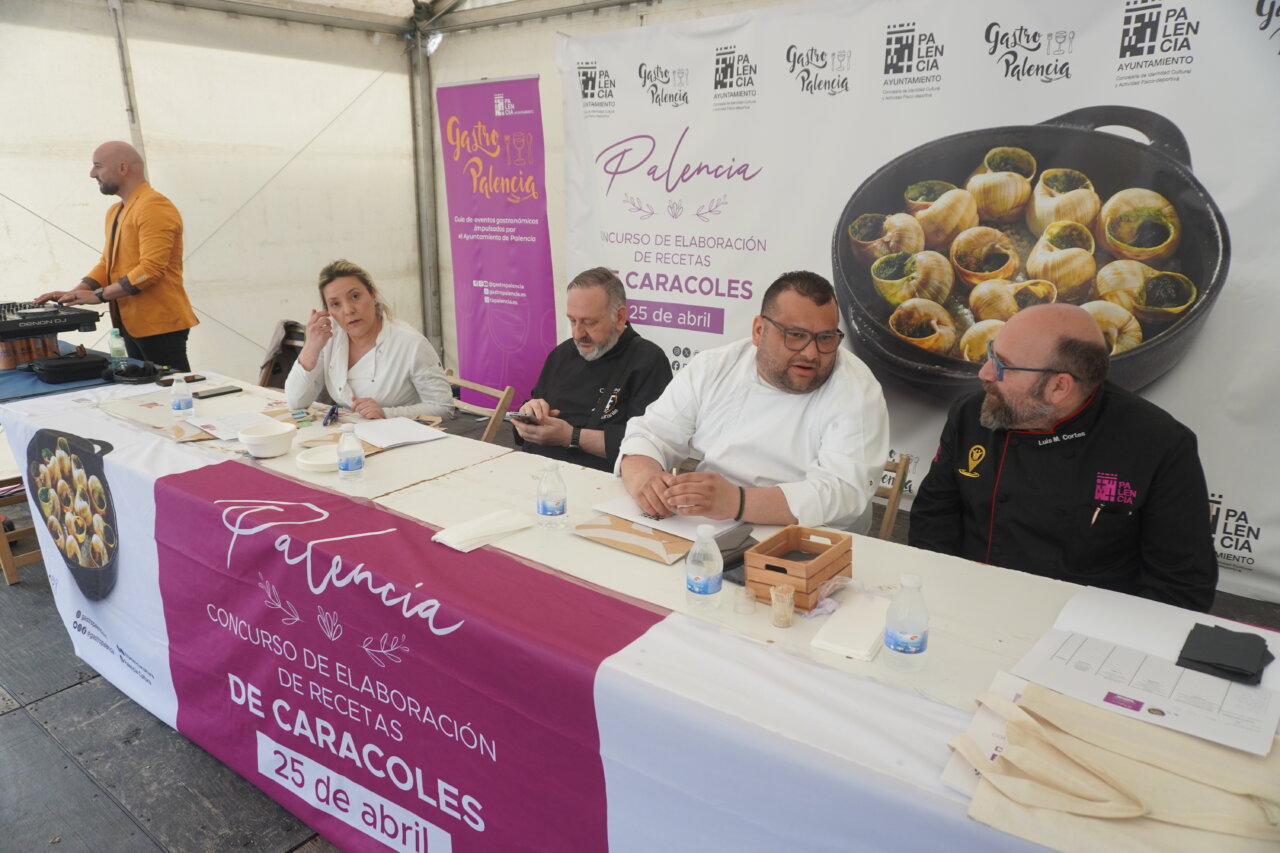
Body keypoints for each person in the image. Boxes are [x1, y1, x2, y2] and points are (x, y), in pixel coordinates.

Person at [908, 303, 1217, 612]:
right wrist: (936, 597)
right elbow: (933, 519)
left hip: (1087, 629)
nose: (984, 373)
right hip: (971, 601)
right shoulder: (970, 414)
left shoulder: (1160, 445)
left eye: (1002, 365)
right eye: (991, 354)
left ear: (1059, 387)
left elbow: (1181, 587)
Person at [617, 271, 889, 531]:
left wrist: (737, 502)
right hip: (708, 523)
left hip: (812, 535)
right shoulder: (715, 367)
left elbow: (843, 492)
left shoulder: (855, 389)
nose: (811, 353)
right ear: (759, 331)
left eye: (826, 338)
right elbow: (651, 432)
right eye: (796, 335)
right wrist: (645, 479)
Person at [34, 141, 198, 370]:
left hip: (160, 324)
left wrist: (99, 295)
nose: (92, 174)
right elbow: (107, 263)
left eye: (98, 166)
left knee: (172, 391)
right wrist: (76, 293)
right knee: (145, 393)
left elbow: (151, 270)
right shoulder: (116, 210)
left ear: (123, 168)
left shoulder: (154, 206)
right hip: (129, 322)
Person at [514, 267, 672, 472]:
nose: (578, 333)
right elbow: (530, 413)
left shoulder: (647, 361)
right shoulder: (562, 354)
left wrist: (571, 437)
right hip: (539, 473)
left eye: (589, 322)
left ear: (620, 317)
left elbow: (648, 444)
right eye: (572, 320)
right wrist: (528, 415)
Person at [285, 260, 453, 420]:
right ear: (328, 310)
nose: (348, 310)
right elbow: (296, 402)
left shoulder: (411, 343)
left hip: (404, 439)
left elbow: (443, 408)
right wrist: (310, 348)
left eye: (355, 296)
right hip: (352, 437)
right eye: (335, 304)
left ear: (373, 294)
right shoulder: (330, 338)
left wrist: (387, 413)